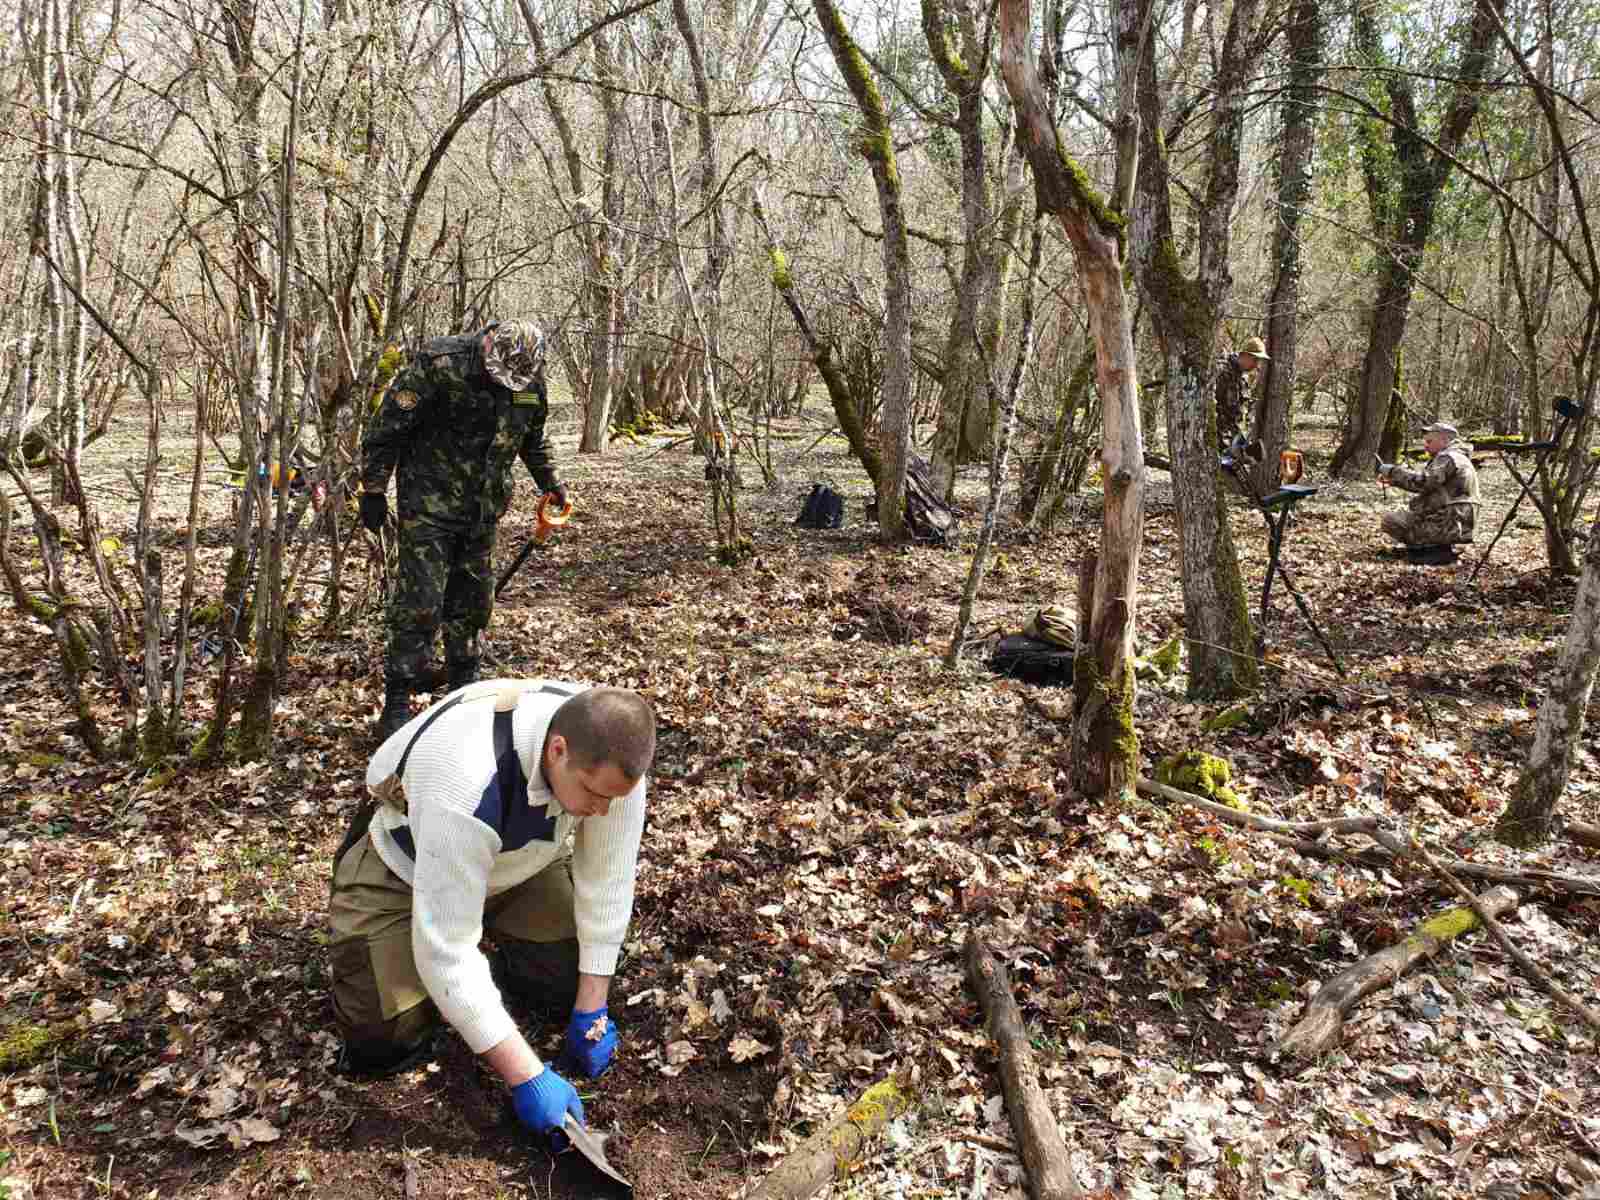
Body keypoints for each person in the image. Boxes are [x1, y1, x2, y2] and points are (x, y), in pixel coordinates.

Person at [328, 680, 655, 1146]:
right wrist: (528, 1077)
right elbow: (448, 953)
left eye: (613, 799)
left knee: (565, 981)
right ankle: (415, 972)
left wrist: (593, 1005)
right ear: (557, 750)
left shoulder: (613, 764)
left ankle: (481, 986)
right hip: (407, 870)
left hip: (519, 864)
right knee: (384, 1034)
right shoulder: (465, 778)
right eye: (592, 794)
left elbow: (608, 881)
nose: (601, 811)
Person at [361, 320, 567, 741]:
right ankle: (397, 702)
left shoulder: (529, 379)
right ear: (488, 346)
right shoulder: (440, 363)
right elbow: (388, 428)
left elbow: (532, 438)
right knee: (420, 603)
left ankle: (463, 696)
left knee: (472, 603)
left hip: (483, 509)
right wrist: (374, 487)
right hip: (429, 505)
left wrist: (550, 480)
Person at [1377, 421, 1481, 547]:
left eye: (1429, 442)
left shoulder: (1448, 457)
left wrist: (1393, 472)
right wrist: (1394, 481)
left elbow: (1423, 482)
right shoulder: (1458, 457)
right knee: (1405, 516)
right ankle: (1435, 550)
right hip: (1457, 523)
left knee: (1392, 520)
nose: (1425, 446)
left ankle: (1429, 551)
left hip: (1449, 524)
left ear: (1444, 439)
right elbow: (1432, 488)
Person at [1216, 335, 1269, 459]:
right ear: (1244, 355)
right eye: (1255, 360)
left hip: (1231, 441)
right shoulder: (1221, 371)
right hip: (1216, 440)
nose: (1256, 365)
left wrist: (1242, 442)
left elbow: (1239, 413)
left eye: (1259, 361)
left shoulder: (1243, 379)